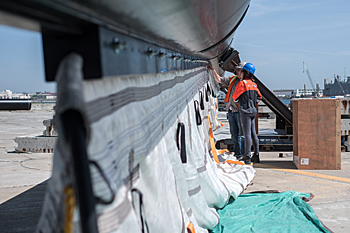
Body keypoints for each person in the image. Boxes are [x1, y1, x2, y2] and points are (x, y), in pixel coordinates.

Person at [208, 65, 245, 159]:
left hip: (240, 112)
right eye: (237, 70)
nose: (237, 72)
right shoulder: (232, 79)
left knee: (242, 135)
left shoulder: (247, 83)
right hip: (231, 110)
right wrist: (212, 70)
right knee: (234, 134)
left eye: (239, 70)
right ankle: (238, 154)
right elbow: (220, 80)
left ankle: (244, 154)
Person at [232, 62, 262, 164]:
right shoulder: (254, 84)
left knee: (247, 134)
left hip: (245, 111)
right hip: (253, 110)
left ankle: (247, 156)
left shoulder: (242, 83)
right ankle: (256, 155)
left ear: (246, 72)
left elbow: (235, 98)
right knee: (253, 133)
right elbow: (259, 97)